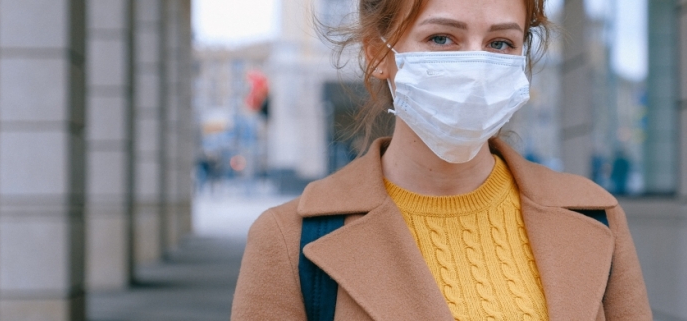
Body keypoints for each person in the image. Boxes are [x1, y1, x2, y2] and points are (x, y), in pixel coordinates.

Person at [231, 0, 652, 319]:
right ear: (379, 55)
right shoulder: (290, 241)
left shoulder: (596, 216)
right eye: (442, 38)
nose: (475, 66)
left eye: (500, 43)